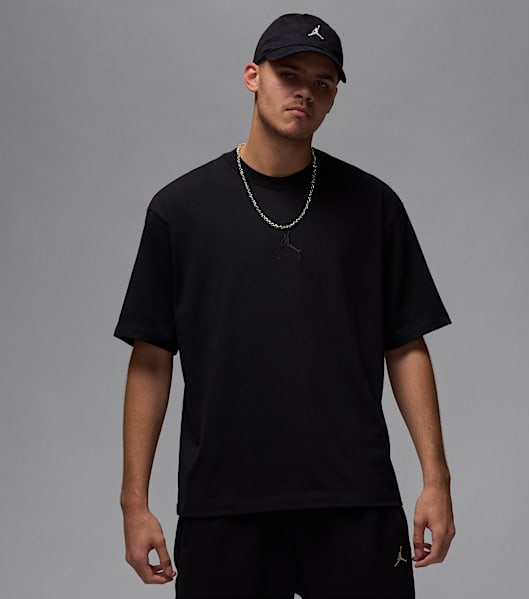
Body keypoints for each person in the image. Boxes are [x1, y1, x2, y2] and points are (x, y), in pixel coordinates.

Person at [114, 12, 455, 599]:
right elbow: (151, 358)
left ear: (334, 97)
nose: (305, 92)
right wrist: (133, 502)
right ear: (253, 76)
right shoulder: (180, 210)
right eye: (289, 74)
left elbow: (406, 345)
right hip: (224, 506)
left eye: (323, 82)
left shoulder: (374, 206)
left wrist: (437, 479)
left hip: (355, 500)